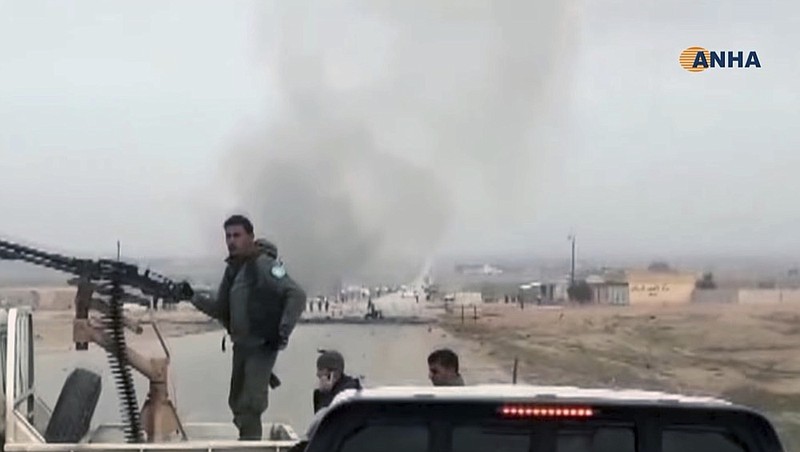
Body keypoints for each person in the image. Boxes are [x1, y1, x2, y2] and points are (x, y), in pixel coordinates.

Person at [190, 214, 307, 440]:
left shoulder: (264, 264)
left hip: (261, 346)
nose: (231, 241)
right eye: (228, 236)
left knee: (251, 405)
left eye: (237, 235)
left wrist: (282, 332)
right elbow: (220, 308)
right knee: (237, 403)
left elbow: (296, 294)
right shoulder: (234, 270)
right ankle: (247, 440)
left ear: (250, 237)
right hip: (241, 346)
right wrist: (191, 296)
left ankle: (249, 445)